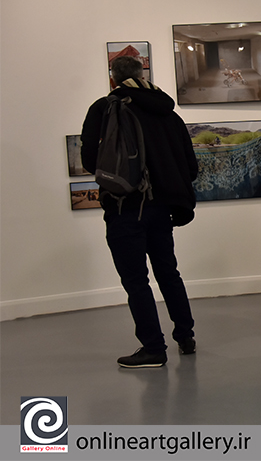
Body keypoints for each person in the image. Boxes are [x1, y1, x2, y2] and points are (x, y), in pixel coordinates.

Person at [81, 56, 199, 368]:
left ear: (113, 80)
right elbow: (191, 166)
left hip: (125, 206)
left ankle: (153, 348)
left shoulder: (104, 108)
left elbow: (89, 159)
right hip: (162, 209)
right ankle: (186, 336)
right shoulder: (168, 112)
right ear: (142, 74)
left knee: (136, 280)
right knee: (168, 272)